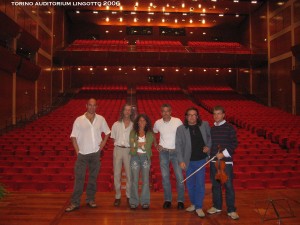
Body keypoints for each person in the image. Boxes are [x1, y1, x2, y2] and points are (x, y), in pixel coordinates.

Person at [65, 98, 111, 212]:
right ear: (86, 106)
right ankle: (75, 202)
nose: (92, 107)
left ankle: (90, 199)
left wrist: (103, 144)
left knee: (93, 179)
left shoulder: (101, 119)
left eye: (94, 105)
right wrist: (77, 151)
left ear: (96, 107)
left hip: (95, 154)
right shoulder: (79, 120)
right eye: (90, 105)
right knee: (79, 179)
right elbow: (73, 136)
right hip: (82, 155)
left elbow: (107, 132)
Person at [176, 107, 211, 218]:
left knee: (200, 184)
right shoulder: (181, 129)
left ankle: (199, 206)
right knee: (190, 184)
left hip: (201, 160)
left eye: (194, 114)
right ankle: (194, 204)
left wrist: (208, 147)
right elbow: (178, 145)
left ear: (197, 116)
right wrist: (181, 160)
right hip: (188, 161)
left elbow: (210, 138)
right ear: (186, 117)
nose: (192, 117)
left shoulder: (204, 125)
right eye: (189, 115)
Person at [207, 105, 239, 220]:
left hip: (226, 163)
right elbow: (210, 145)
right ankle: (217, 206)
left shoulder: (230, 128)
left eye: (219, 113)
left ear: (223, 115)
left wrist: (223, 153)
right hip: (214, 162)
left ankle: (231, 209)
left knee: (228, 186)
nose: (216, 116)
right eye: (214, 114)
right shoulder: (211, 129)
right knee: (215, 186)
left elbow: (234, 143)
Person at [153, 104, 185, 210]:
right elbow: (153, 133)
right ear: (161, 112)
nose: (165, 113)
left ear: (171, 112)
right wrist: (156, 144)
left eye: (167, 111)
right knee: (165, 177)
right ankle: (168, 200)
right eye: (163, 111)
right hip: (164, 152)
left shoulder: (178, 121)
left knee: (179, 177)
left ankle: (180, 201)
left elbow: (183, 135)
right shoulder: (157, 123)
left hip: (176, 152)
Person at [129, 114, 154, 209]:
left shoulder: (150, 133)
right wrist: (142, 144)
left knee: (146, 180)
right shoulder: (133, 132)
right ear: (137, 122)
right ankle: (134, 201)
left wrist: (138, 144)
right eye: (140, 120)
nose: (142, 122)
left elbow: (148, 146)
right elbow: (132, 144)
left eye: (144, 120)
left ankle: (145, 201)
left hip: (145, 158)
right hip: (135, 157)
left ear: (146, 122)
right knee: (134, 180)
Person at [111, 104, 134, 206]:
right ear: (123, 111)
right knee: (116, 174)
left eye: (129, 110)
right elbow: (113, 138)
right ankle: (118, 196)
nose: (127, 112)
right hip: (118, 150)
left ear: (131, 112)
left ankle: (128, 196)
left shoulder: (134, 125)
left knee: (129, 175)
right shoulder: (115, 124)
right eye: (126, 110)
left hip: (129, 151)